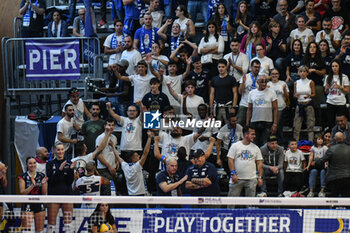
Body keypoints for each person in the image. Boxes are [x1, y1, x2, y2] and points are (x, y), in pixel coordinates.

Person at [113, 131, 153, 196]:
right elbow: (145, 153)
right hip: (140, 195)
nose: (139, 156)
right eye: (137, 156)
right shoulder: (137, 166)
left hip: (130, 195)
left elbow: (117, 156)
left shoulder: (125, 166)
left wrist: (113, 146)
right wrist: (149, 138)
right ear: (133, 159)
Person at [227, 126, 263, 197]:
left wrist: (260, 177)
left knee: (250, 204)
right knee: (231, 202)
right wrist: (233, 173)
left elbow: (259, 163)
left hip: (251, 179)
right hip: (237, 178)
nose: (254, 136)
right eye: (252, 134)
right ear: (246, 135)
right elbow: (230, 159)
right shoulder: (235, 146)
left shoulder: (256, 148)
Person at [46, 143, 74, 233]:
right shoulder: (50, 164)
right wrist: (60, 170)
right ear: (54, 151)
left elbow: (69, 182)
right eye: (58, 150)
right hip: (54, 196)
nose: (60, 152)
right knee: (51, 225)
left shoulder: (69, 163)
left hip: (67, 196)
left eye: (62, 149)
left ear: (64, 150)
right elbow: (51, 181)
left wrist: (71, 171)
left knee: (68, 225)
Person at [246, 75, 278, 147]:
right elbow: (249, 109)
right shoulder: (251, 93)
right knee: (254, 144)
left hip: (267, 122)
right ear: (257, 82)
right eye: (261, 82)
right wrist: (247, 123)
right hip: (254, 121)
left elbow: (275, 109)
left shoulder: (272, 92)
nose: (264, 84)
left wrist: (275, 124)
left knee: (265, 144)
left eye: (265, 82)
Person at [315, 132, 350, 197]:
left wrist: (316, 159)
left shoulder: (331, 149)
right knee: (347, 200)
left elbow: (321, 161)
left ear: (334, 139)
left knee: (333, 201)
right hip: (348, 178)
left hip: (334, 179)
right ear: (344, 138)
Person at [18, 157, 47, 232]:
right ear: (27, 165)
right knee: (26, 230)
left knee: (40, 230)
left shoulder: (41, 176)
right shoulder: (23, 176)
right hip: (27, 204)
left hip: (39, 204)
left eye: (34, 163)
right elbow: (22, 193)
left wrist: (44, 184)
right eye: (30, 163)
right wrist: (32, 186)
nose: (32, 165)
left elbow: (44, 193)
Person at [303, 42, 326, 126]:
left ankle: (318, 123)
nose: (312, 48)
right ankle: (307, 123)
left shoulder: (320, 59)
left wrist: (315, 70)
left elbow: (324, 72)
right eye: (310, 47)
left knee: (316, 104)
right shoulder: (305, 59)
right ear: (308, 49)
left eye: (314, 47)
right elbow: (301, 71)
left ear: (317, 49)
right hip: (306, 84)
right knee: (307, 104)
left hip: (317, 84)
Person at [209, 59, 238, 124]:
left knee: (229, 125)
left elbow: (235, 93)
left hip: (228, 106)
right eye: (219, 67)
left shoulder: (232, 79)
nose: (221, 69)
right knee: (217, 126)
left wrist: (234, 107)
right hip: (217, 106)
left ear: (226, 67)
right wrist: (211, 108)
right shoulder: (214, 79)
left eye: (223, 67)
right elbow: (212, 94)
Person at [96, 119, 119, 196]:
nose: (111, 127)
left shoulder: (114, 138)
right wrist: (109, 166)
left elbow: (114, 151)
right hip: (103, 168)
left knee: (114, 191)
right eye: (109, 125)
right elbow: (98, 155)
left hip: (113, 167)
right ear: (105, 126)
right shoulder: (100, 138)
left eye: (112, 125)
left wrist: (117, 161)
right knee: (107, 191)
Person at [324, 59, 350, 128]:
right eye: (333, 66)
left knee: (341, 123)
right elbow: (326, 92)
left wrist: (340, 87)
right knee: (330, 122)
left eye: (336, 66)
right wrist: (326, 88)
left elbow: (347, 91)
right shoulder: (327, 77)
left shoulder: (344, 77)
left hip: (340, 102)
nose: (334, 68)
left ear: (339, 67)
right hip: (330, 101)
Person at [293, 66, 316, 141]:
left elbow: (314, 94)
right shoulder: (296, 82)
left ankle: (311, 142)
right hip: (299, 104)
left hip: (308, 104)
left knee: (310, 125)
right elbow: (294, 94)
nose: (302, 73)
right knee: (297, 126)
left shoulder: (311, 82)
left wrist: (309, 95)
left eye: (304, 71)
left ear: (307, 73)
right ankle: (295, 142)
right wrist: (296, 96)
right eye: (301, 71)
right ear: (298, 73)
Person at [267, 69, 289, 142]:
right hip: (270, 108)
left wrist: (284, 89)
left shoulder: (282, 83)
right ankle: (271, 142)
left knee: (278, 126)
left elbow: (287, 96)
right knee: (271, 126)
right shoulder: (268, 84)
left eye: (276, 74)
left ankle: (280, 142)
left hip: (280, 107)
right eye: (273, 74)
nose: (274, 75)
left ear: (279, 75)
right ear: (270, 75)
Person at [237, 59, 261, 126]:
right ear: (251, 67)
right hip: (244, 104)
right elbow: (240, 92)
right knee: (240, 123)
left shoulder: (261, 78)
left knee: (253, 125)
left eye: (258, 67)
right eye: (255, 67)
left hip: (256, 105)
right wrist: (243, 82)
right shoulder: (245, 77)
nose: (257, 69)